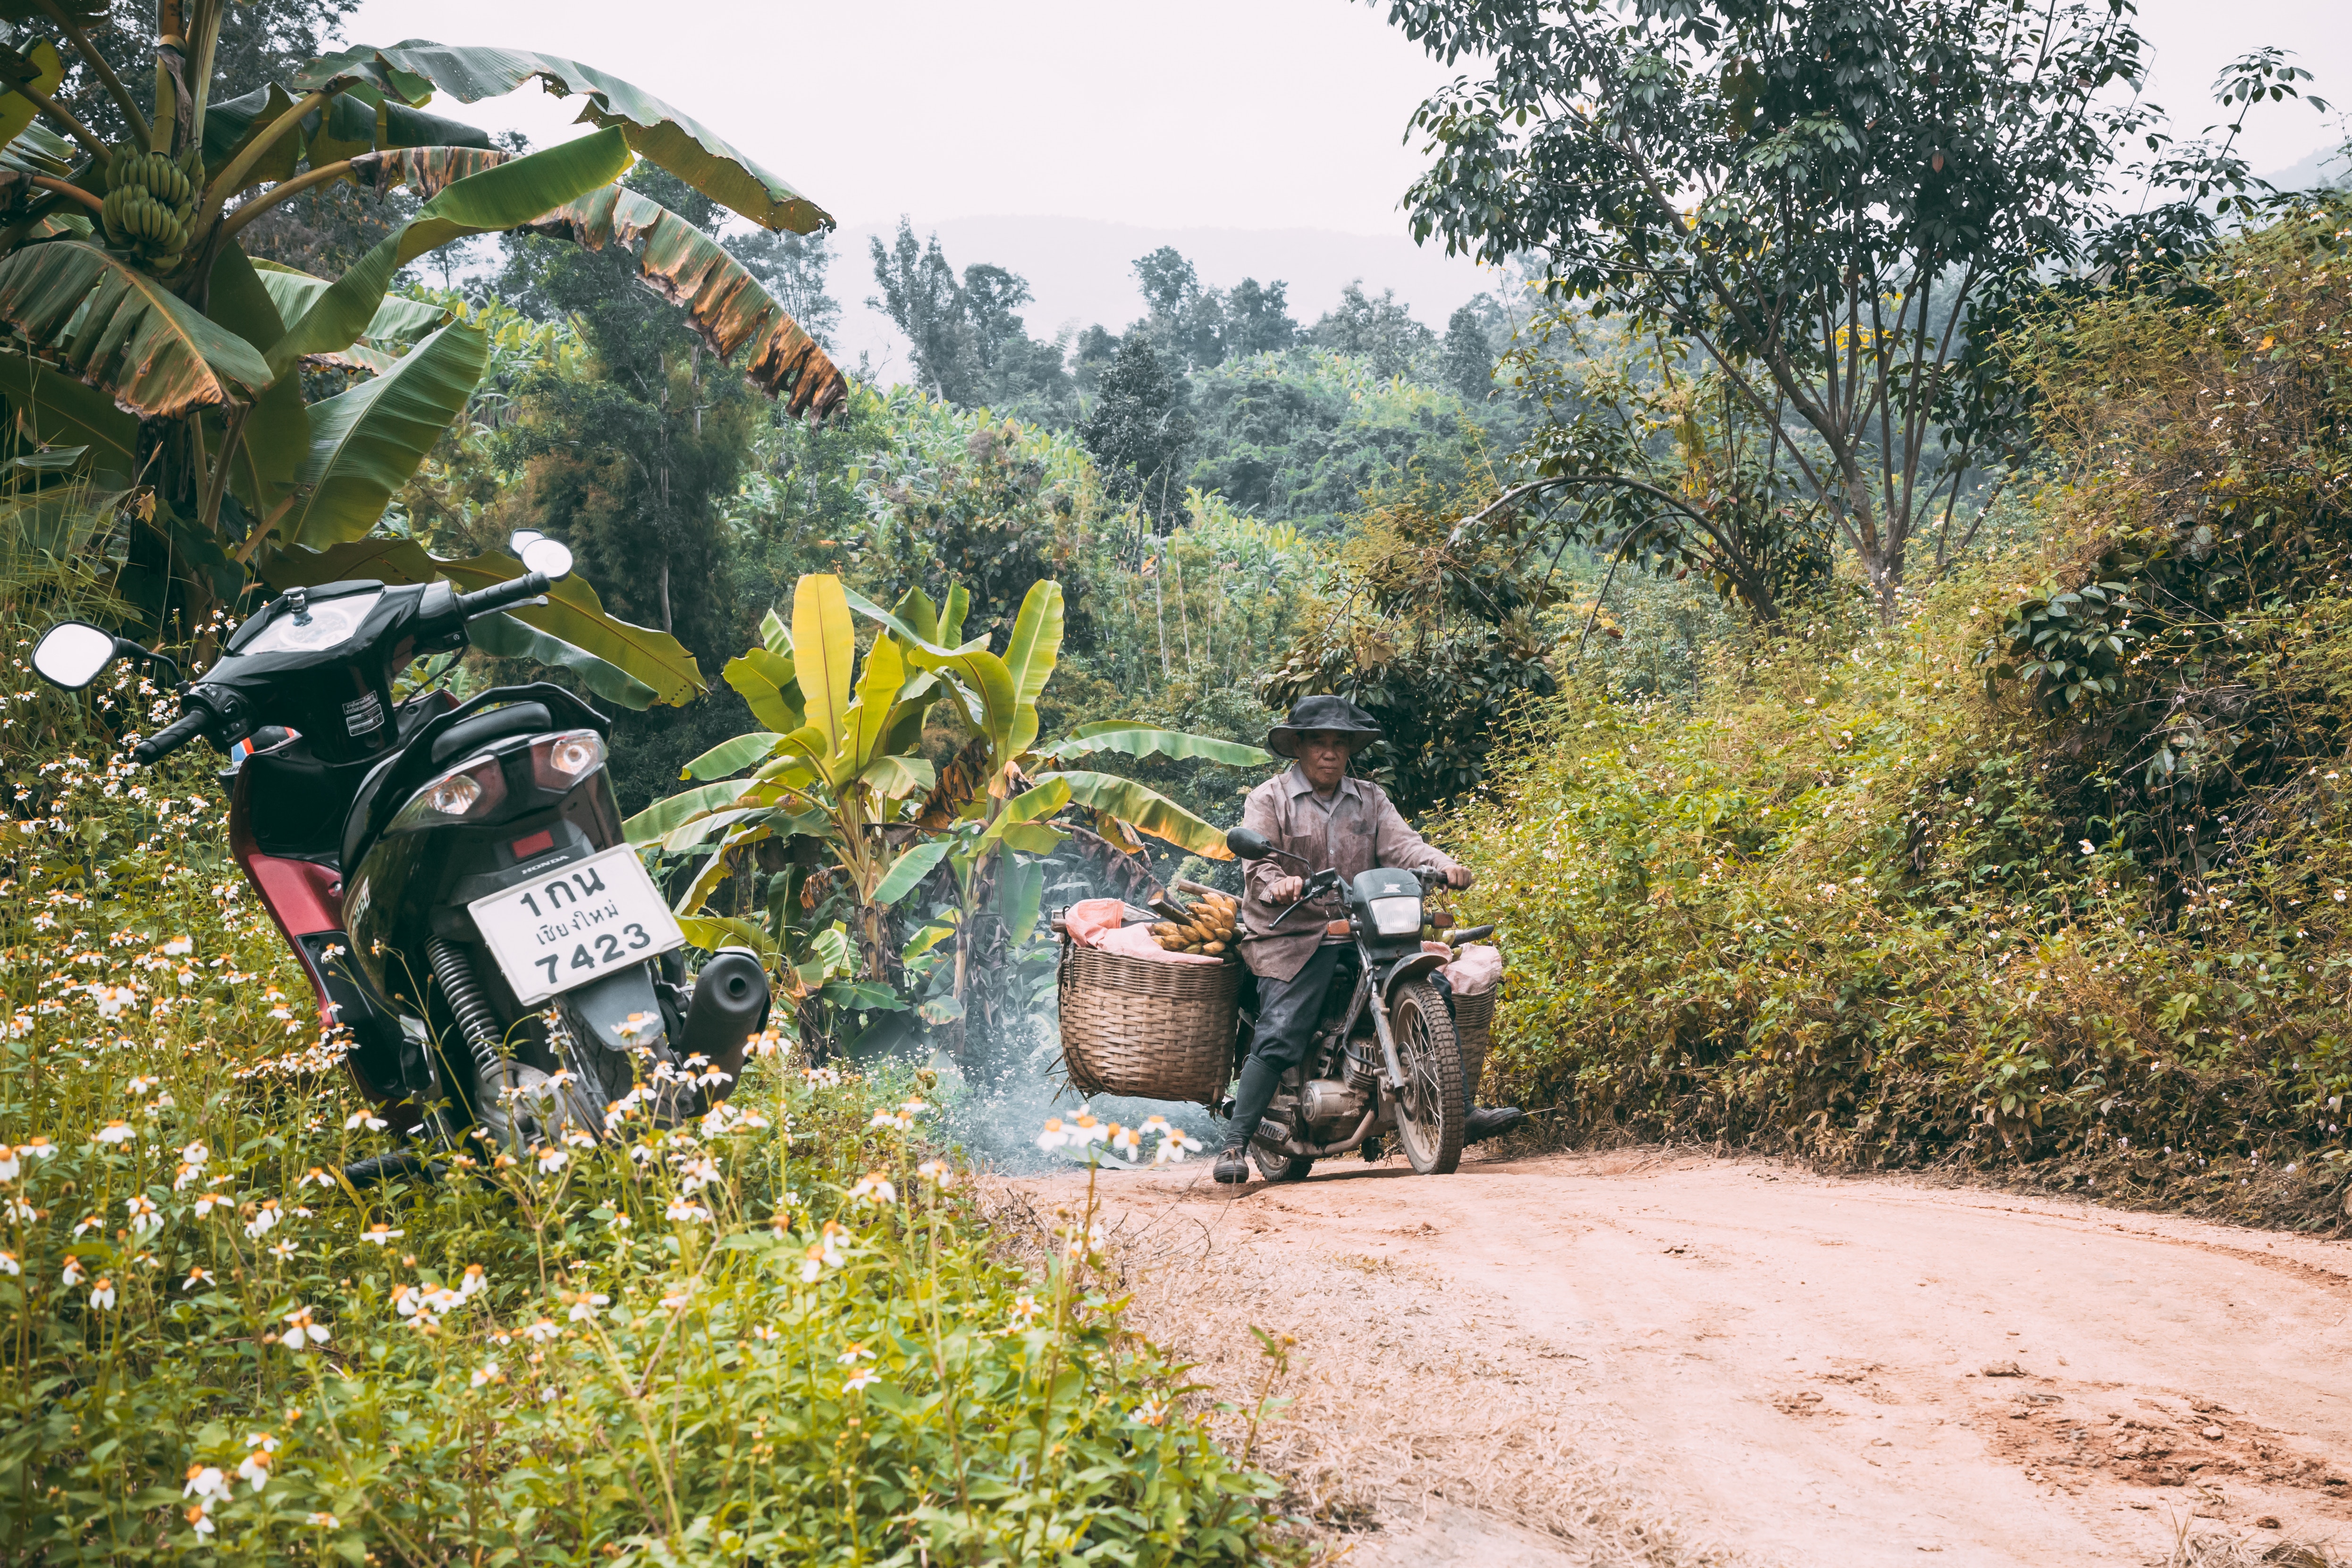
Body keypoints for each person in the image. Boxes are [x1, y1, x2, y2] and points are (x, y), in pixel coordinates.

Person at [1215, 695, 1526, 1185]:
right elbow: (1260, 863)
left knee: (1438, 992)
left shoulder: (1370, 797)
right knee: (1282, 1028)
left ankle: (1458, 1110)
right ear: (1298, 745)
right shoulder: (1268, 799)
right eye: (1319, 741)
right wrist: (1278, 883)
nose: (1330, 753)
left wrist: (1443, 865)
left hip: (1365, 928)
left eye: (1340, 743)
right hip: (1292, 933)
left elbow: (1405, 845)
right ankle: (1235, 1143)